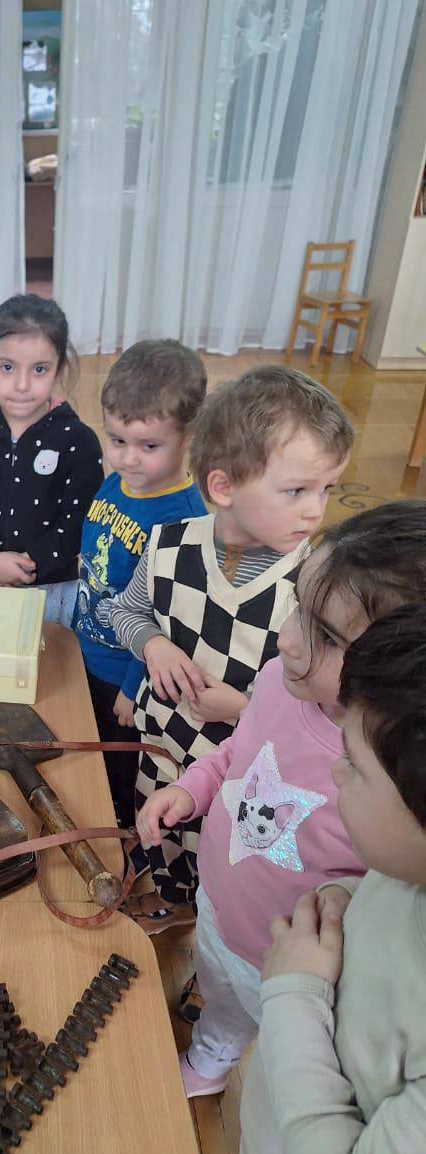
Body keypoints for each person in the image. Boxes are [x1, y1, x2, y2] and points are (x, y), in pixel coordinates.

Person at [136, 501, 426, 1096]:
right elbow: (238, 752)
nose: (288, 639)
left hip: (282, 966)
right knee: (218, 993)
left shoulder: (389, 785)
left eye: (328, 636)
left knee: (272, 1047)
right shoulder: (278, 680)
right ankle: (212, 1055)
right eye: (298, 605)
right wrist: (191, 789)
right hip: (217, 902)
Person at [110, 366, 353, 931]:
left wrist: (242, 707)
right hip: (162, 744)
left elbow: (319, 713)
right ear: (223, 487)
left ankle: (207, 925)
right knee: (162, 830)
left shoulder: (314, 586)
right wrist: (152, 644)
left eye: (326, 489)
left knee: (222, 860)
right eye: (296, 491)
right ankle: (171, 903)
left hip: (245, 773)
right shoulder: (168, 546)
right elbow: (123, 612)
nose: (316, 511)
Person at [238, 602, 426, 1154]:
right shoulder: (406, 865)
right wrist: (353, 899)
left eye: (352, 764)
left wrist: (293, 991)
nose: (336, 774)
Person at [72, 339, 207, 828]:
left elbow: (171, 619)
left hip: (126, 677)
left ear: (189, 436)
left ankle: (120, 840)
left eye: (149, 446)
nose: (128, 459)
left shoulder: (184, 520)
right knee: (84, 750)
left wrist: (134, 687)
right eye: (117, 440)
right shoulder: (120, 482)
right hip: (86, 649)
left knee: (116, 773)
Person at [0, 294, 102, 625]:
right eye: (7, 367)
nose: (21, 385)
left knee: (46, 658)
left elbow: (78, 522)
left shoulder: (78, 441)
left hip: (51, 587)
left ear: (60, 368)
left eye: (40, 369)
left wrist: (25, 566)